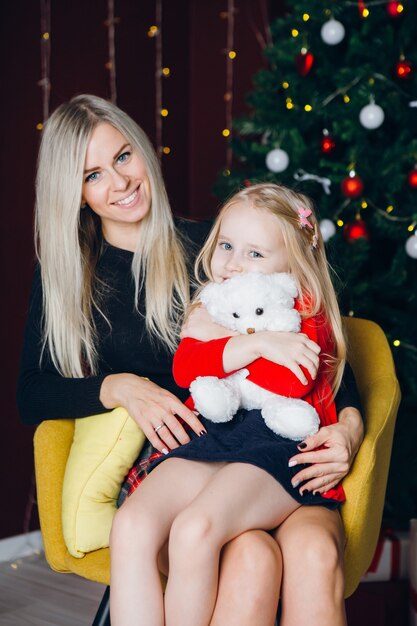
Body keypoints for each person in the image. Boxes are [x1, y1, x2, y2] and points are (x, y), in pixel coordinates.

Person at [16, 94, 363, 626]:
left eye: (124, 157)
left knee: (253, 557)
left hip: (259, 442)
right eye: (93, 175)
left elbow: (324, 358)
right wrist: (119, 387)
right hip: (175, 456)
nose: (121, 182)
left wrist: (349, 430)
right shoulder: (67, 274)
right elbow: (32, 392)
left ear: (145, 153)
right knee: (204, 543)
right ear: (75, 193)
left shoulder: (218, 247)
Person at [109, 182, 362, 626]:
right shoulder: (210, 302)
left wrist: (240, 342)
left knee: (194, 530)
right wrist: (251, 342)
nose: (232, 265)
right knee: (130, 526)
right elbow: (186, 369)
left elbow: (296, 378)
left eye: (255, 254)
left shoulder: (298, 314)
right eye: (226, 245)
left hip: (273, 448)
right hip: (211, 440)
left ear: (295, 268)